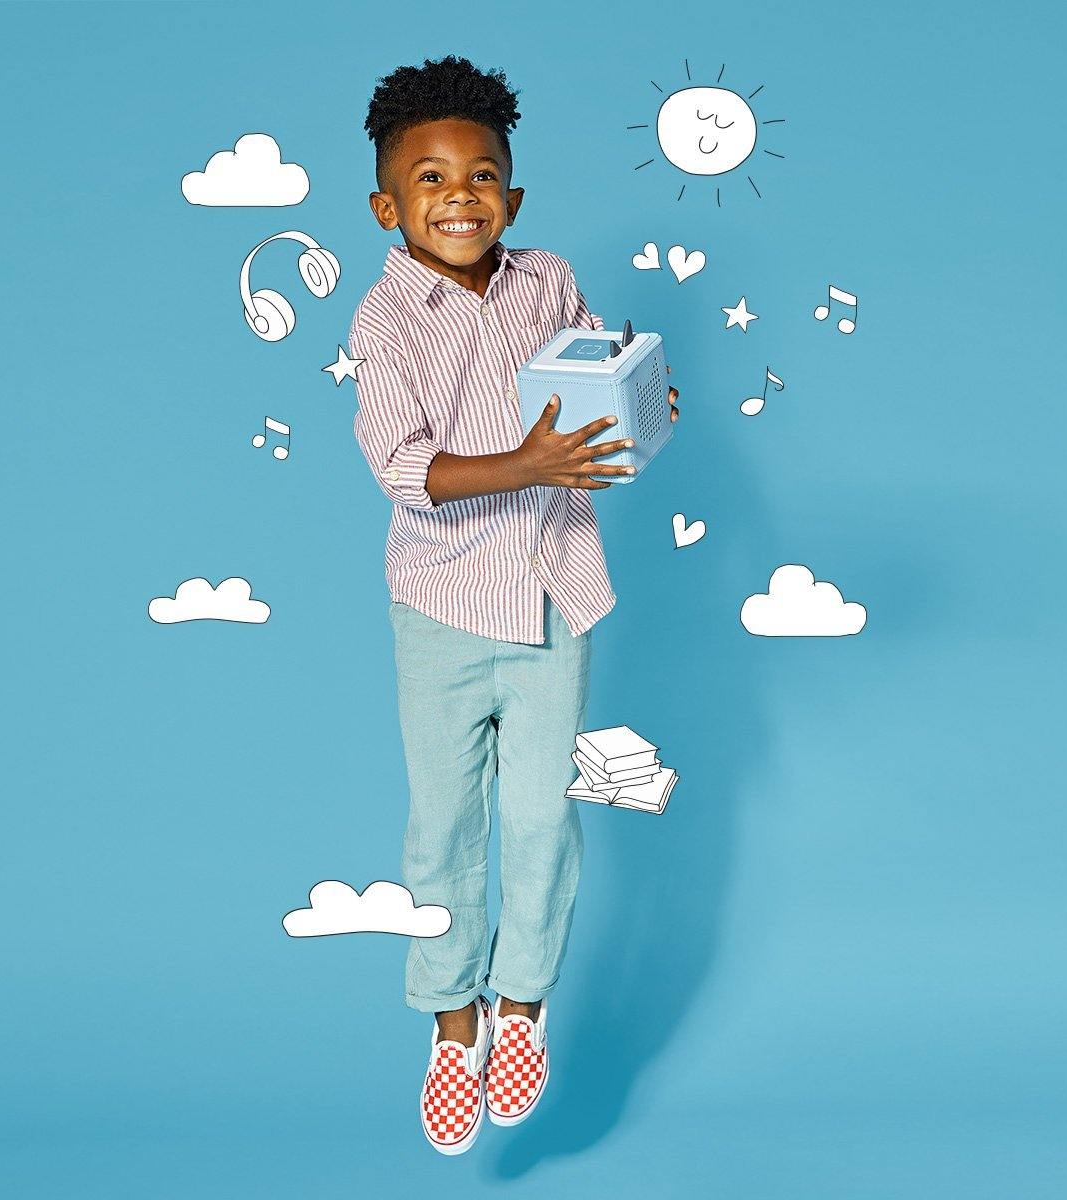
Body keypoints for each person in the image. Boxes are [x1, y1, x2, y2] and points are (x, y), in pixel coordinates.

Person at [349, 55, 678, 1155]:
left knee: (541, 820)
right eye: (430, 178)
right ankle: (454, 1019)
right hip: (442, 607)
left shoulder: (549, 281)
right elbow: (405, 470)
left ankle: (522, 1001)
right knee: (445, 827)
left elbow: (588, 393)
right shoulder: (384, 321)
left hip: (554, 592)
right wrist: (530, 463)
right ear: (387, 207)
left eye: (482, 175)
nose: (460, 196)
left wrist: (638, 404)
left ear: (514, 196)